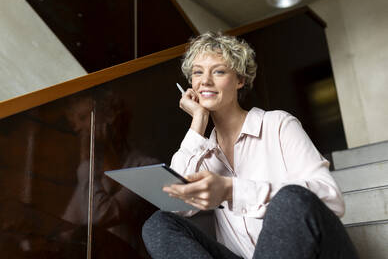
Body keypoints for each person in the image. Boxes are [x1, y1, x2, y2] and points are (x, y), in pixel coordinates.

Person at [142, 32, 359, 259]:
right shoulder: (202, 154)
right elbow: (176, 205)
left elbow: (332, 199)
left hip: (312, 251)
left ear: (240, 80)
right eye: (198, 72)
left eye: (218, 71)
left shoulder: (278, 124)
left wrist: (231, 190)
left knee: (291, 197)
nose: (205, 81)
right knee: (159, 223)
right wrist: (198, 122)